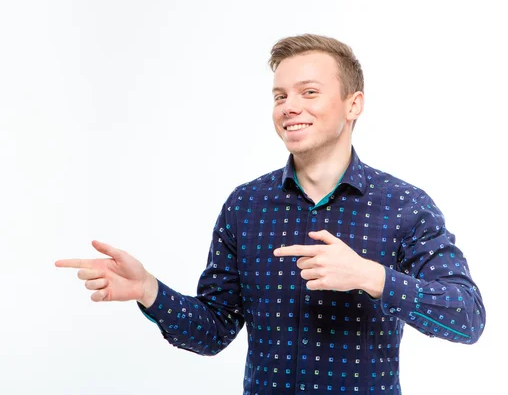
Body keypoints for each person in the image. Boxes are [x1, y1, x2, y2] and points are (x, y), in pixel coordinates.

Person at [55, 33, 486, 394]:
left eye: (309, 92)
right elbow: (213, 332)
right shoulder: (245, 205)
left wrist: (370, 277)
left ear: (354, 104)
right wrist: (149, 290)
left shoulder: (403, 205)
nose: (289, 106)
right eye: (280, 95)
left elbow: (467, 318)